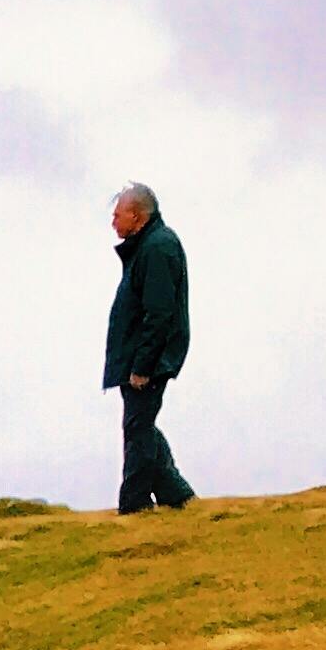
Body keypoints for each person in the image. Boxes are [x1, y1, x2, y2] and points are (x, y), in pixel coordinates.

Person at [104, 182, 193, 512]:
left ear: (137, 216)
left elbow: (159, 312)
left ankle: (135, 505)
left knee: (138, 428)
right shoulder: (148, 246)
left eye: (118, 215)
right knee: (141, 425)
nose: (113, 222)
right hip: (138, 356)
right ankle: (177, 495)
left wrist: (143, 365)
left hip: (149, 360)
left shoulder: (157, 247)